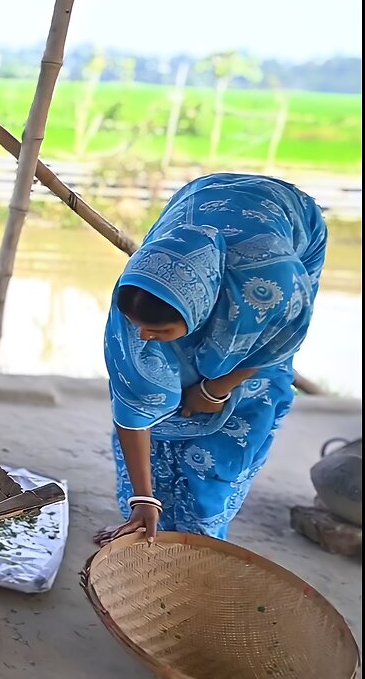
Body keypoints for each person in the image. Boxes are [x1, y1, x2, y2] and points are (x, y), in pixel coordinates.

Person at [96, 173, 327, 546]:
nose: (142, 336)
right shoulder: (133, 302)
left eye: (159, 330)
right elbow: (133, 408)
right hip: (200, 198)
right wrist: (144, 497)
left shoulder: (275, 290)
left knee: (237, 422)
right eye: (138, 326)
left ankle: (201, 531)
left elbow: (278, 344)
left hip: (287, 214)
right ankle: (148, 516)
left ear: (199, 310)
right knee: (152, 386)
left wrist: (216, 388)